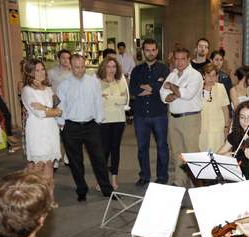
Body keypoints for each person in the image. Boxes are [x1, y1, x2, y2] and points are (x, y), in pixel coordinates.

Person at [57, 54, 114, 201]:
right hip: (71, 126)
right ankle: (81, 189)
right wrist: (61, 124)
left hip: (91, 126)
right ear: (70, 66)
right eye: (77, 67)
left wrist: (99, 120)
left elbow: (98, 102)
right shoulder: (64, 85)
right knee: (76, 162)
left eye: (83, 66)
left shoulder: (93, 82)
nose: (81, 70)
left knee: (99, 159)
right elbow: (60, 106)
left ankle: (107, 189)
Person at [20, 59, 62, 207]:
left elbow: (58, 110)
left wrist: (47, 108)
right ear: (29, 73)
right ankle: (28, 197)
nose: (41, 72)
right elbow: (39, 114)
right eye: (36, 70)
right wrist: (50, 110)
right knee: (37, 167)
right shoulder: (27, 90)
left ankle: (49, 198)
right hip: (37, 130)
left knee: (49, 164)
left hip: (51, 129)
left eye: (42, 69)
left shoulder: (48, 89)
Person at [159, 47, 203, 187]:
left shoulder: (195, 75)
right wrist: (175, 93)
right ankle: (179, 181)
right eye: (176, 59)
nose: (179, 62)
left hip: (190, 119)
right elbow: (162, 95)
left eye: (182, 59)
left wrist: (172, 87)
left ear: (188, 59)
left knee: (191, 153)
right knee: (177, 151)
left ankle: (197, 183)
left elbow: (187, 94)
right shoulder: (172, 74)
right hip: (173, 118)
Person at [130, 39, 170, 186]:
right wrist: (153, 87)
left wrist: (148, 87)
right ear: (143, 51)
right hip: (141, 115)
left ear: (157, 51)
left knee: (162, 147)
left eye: (153, 50)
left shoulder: (164, 69)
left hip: (159, 114)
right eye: (147, 50)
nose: (151, 53)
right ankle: (144, 176)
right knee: (142, 148)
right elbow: (133, 90)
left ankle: (162, 176)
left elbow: (162, 87)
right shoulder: (136, 70)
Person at [218, 101, 249, 197]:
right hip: (234, 181)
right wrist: (225, 156)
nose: (245, 121)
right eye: (242, 117)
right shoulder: (236, 134)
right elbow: (218, 155)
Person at [96, 56, 129, 190]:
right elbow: (98, 101)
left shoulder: (120, 81)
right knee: (104, 151)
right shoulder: (97, 82)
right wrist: (116, 98)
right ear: (104, 67)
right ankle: (102, 180)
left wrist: (107, 97)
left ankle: (114, 177)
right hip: (103, 120)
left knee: (115, 149)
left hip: (119, 119)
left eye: (114, 67)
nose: (111, 69)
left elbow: (124, 100)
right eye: (108, 66)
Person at [199, 63, 230, 152]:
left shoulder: (221, 87)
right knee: (203, 155)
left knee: (217, 154)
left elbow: (225, 109)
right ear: (203, 76)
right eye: (208, 75)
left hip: (218, 130)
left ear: (217, 76)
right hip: (202, 130)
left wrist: (226, 127)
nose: (211, 78)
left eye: (214, 75)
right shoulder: (198, 87)